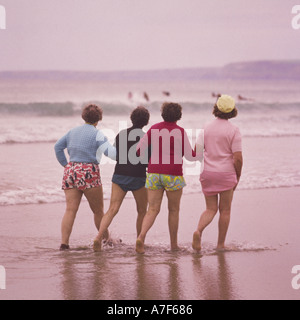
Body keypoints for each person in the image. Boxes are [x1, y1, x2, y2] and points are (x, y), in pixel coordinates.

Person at [135, 102, 200, 254]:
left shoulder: (154, 129)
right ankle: (173, 245)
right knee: (173, 210)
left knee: (152, 209)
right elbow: (190, 156)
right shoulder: (180, 131)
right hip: (173, 174)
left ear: (162, 113)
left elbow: (138, 151)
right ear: (179, 116)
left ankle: (141, 237)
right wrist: (199, 148)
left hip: (153, 173)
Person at [54, 104, 116, 250]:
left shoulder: (72, 131)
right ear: (99, 118)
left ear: (83, 116)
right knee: (98, 211)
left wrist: (66, 164)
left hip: (71, 170)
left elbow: (57, 147)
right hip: (89, 172)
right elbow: (111, 154)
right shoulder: (98, 134)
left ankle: (64, 243)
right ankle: (106, 240)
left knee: (70, 209)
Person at [93, 106, 150, 251]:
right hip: (138, 177)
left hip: (119, 175)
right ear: (146, 121)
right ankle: (139, 240)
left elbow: (116, 155)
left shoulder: (121, 135)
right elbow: (148, 160)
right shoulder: (147, 137)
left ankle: (99, 237)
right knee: (142, 211)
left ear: (132, 118)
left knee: (112, 209)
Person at [192, 94, 243, 251]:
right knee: (225, 210)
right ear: (232, 111)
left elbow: (197, 153)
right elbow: (238, 158)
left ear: (216, 108)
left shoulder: (206, 127)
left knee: (210, 209)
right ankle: (220, 245)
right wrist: (238, 176)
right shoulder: (234, 130)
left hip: (208, 173)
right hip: (226, 174)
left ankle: (198, 231)